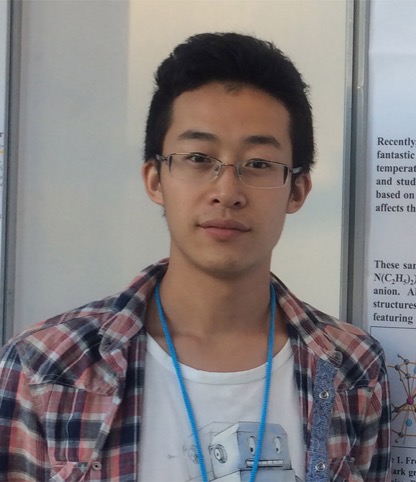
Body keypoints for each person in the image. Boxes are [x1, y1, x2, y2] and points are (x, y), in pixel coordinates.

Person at [0, 32, 390, 482]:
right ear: (155, 179)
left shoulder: (352, 368)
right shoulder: (47, 366)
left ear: (297, 190)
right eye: (199, 157)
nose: (227, 192)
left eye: (258, 163)